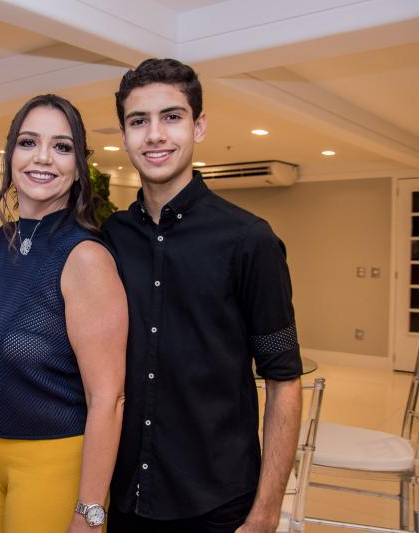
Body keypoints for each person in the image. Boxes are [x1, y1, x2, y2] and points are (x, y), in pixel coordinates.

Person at [103, 58, 303, 532]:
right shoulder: (111, 237)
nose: (155, 135)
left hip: (218, 503)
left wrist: (266, 513)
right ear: (124, 135)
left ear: (199, 126)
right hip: (127, 498)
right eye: (139, 121)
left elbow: (284, 381)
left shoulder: (249, 240)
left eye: (171, 117)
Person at [0, 94, 128, 533]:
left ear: (78, 166)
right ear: (10, 154)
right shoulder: (3, 241)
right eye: (28, 142)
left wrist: (90, 510)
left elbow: (108, 398)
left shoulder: (85, 256)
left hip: (55, 462)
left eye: (61, 146)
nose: (42, 158)